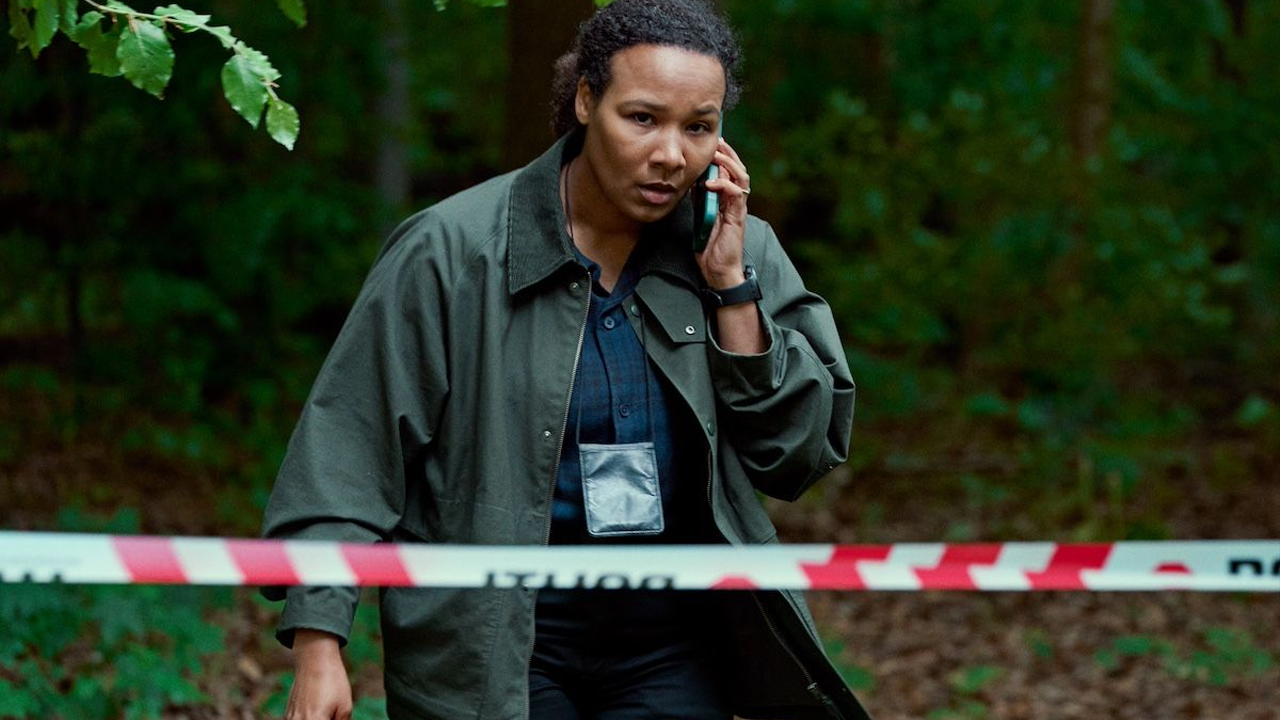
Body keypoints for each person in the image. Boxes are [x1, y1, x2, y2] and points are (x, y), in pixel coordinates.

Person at [260, 1, 865, 718]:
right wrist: (319, 641)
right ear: (585, 101)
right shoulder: (452, 250)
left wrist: (732, 290)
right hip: (498, 643)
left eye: (698, 127)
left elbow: (798, 455)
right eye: (642, 118)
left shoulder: (739, 249)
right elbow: (349, 449)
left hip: (675, 642)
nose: (671, 154)